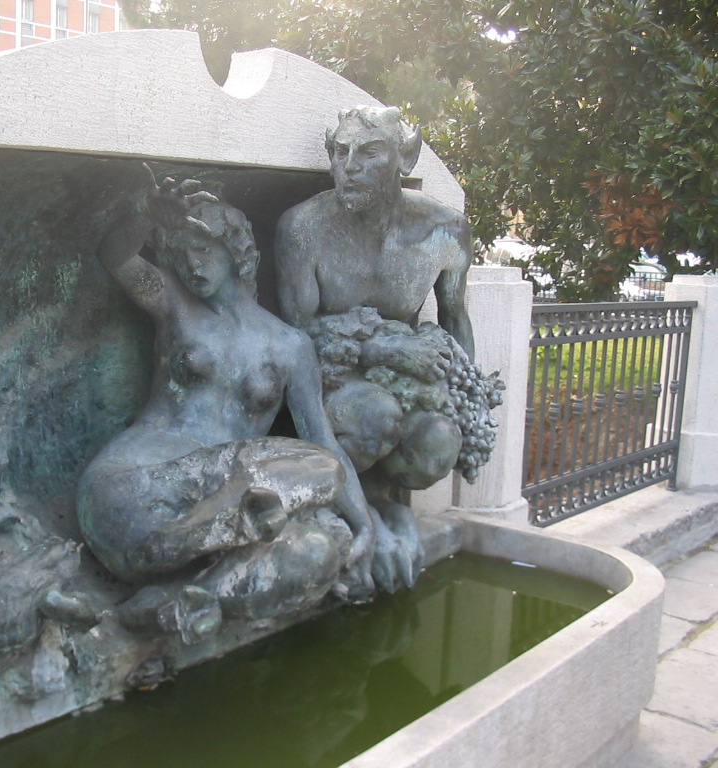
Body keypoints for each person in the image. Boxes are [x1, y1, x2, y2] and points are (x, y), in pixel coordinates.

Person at [77, 167, 408, 644]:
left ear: (235, 252)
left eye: (205, 249)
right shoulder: (173, 305)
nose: (193, 264)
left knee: (317, 522)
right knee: (313, 475)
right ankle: (217, 525)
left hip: (210, 498)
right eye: (184, 251)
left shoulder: (290, 347)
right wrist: (148, 216)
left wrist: (364, 526)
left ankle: (180, 595)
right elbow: (117, 257)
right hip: (129, 487)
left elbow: (322, 441)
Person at [275, 105, 479, 587]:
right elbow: (296, 337)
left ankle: (382, 504)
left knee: (437, 447)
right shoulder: (302, 228)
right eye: (340, 153)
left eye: (369, 153)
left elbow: (455, 321)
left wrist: (468, 401)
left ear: (404, 160)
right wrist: (375, 351)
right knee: (375, 415)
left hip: (406, 381)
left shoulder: (445, 231)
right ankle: (352, 514)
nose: (351, 166)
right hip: (332, 381)